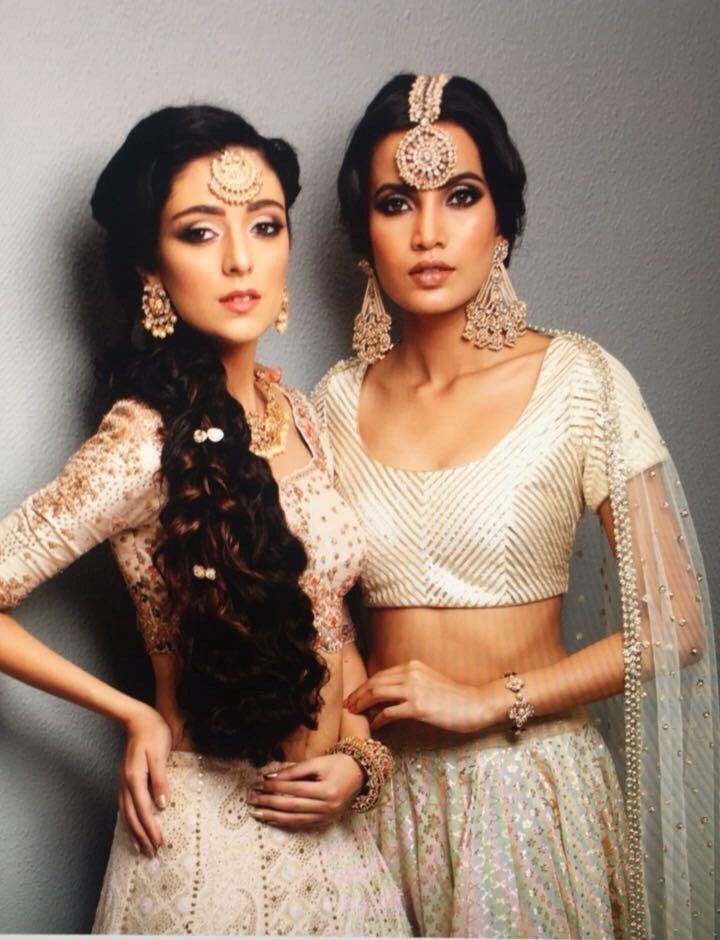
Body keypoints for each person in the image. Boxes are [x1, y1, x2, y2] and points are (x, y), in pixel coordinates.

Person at [249, 75, 719, 938]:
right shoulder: (333, 402)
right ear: (363, 234)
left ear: (503, 220)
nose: (428, 233)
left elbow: (677, 622)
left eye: (460, 196)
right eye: (396, 203)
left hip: (528, 799)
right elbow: (320, 621)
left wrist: (491, 700)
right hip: (376, 803)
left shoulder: (580, 383)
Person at [0, 104, 410, 936]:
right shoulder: (142, 439)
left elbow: (333, 624)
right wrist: (132, 714)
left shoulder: (298, 413)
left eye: (265, 225)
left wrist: (361, 759)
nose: (239, 259)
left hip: (339, 850)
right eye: (199, 233)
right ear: (152, 269)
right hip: (207, 853)